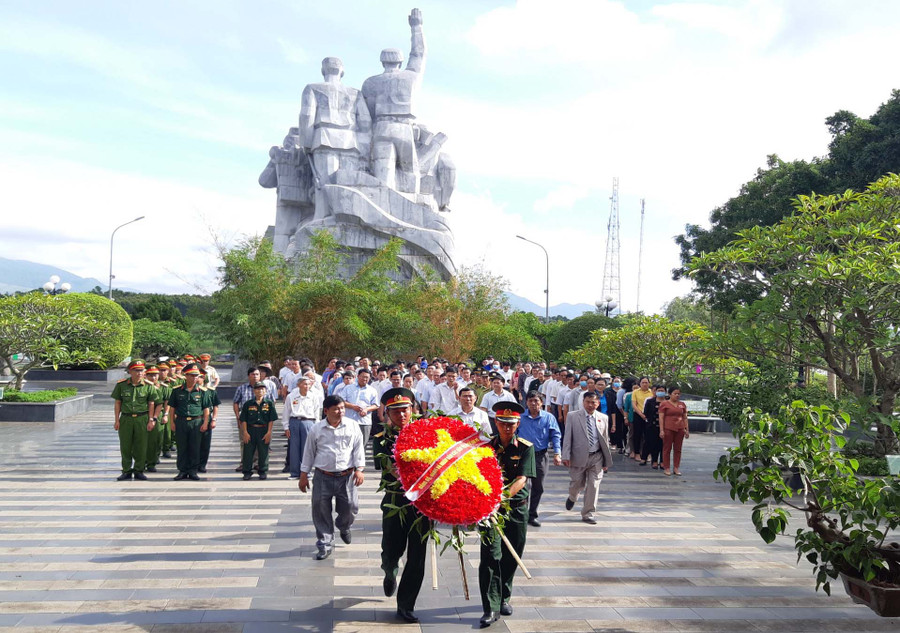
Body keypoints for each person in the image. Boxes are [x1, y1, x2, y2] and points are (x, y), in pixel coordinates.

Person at [374, 387, 430, 624]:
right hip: (396, 500)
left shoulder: (427, 434)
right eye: (395, 411)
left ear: (413, 410)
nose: (401, 415)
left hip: (422, 506)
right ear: (387, 413)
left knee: (417, 556)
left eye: (405, 410)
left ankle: (406, 605)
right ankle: (389, 570)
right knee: (391, 548)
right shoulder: (381, 439)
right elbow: (389, 467)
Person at [479, 402, 535, 628]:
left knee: (512, 554)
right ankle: (490, 607)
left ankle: (504, 596)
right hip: (489, 511)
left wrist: (500, 498)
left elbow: (522, 479)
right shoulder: (486, 447)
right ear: (496, 423)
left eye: (511, 424)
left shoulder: (525, 447)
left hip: (516, 508)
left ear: (518, 424)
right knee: (490, 557)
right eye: (502, 423)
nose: (506, 428)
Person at [361, 9, 426, 194]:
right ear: (401, 61)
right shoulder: (410, 77)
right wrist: (417, 27)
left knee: (384, 175)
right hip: (404, 128)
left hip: (381, 128)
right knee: (410, 172)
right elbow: (419, 54)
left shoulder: (370, 83)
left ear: (382, 62)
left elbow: (367, 114)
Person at [298, 395, 365, 560]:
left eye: (342, 408)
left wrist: (359, 469)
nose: (340, 411)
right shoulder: (316, 429)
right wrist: (303, 475)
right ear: (326, 411)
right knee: (320, 510)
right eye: (336, 408)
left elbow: (358, 449)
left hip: (347, 475)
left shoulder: (353, 426)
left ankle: (344, 526)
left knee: (350, 507)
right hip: (323, 476)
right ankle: (324, 543)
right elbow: (308, 453)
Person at [561, 392, 612, 524]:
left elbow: (605, 440)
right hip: (578, 456)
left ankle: (588, 513)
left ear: (598, 403)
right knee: (577, 483)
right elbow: (567, 437)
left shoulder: (603, 418)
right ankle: (573, 497)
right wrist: (565, 455)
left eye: (593, 402)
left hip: (597, 456)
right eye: (588, 402)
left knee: (593, 485)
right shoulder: (573, 416)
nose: (590, 405)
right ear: (583, 402)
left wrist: (606, 460)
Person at [517, 391, 562, 528]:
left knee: (538, 487)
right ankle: (522, 514)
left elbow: (555, 435)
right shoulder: (520, 417)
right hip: (522, 456)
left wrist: (557, 453)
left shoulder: (548, 418)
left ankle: (532, 515)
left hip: (540, 456)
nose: (533, 404)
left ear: (541, 403)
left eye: (536, 401)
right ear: (526, 402)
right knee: (522, 486)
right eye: (530, 401)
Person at [110, 359, 158, 481]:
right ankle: (126, 470)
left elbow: (151, 403)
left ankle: (139, 470)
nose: (139, 373)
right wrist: (117, 420)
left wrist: (151, 419)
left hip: (142, 418)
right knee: (125, 445)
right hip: (126, 418)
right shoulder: (122, 385)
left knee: (141, 446)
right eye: (136, 371)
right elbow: (118, 403)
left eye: (141, 370)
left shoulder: (148, 386)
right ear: (130, 371)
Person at [166, 363, 209, 481]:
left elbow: (206, 409)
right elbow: (172, 408)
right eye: (192, 375)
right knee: (182, 447)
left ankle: (193, 471)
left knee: (195, 447)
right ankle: (182, 470)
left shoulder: (203, 391)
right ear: (186, 375)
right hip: (181, 421)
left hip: (196, 422)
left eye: (196, 376)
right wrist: (172, 422)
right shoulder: (177, 390)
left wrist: (205, 423)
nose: (194, 378)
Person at [284, 376, 324, 479]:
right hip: (294, 421)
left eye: (309, 384)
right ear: (299, 385)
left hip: (308, 422)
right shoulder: (291, 396)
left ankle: (307, 472)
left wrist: (317, 427)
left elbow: (316, 413)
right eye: (305, 384)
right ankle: (295, 473)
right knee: (294, 448)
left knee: (307, 449)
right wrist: (286, 427)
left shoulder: (313, 396)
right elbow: (286, 412)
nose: (307, 386)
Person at [238, 382, 278, 480]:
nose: (260, 391)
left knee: (263, 451)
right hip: (251, 429)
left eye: (262, 389)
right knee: (248, 451)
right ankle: (247, 471)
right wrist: (245, 432)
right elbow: (243, 419)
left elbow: (271, 420)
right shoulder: (248, 404)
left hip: (263, 429)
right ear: (254, 391)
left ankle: (263, 471)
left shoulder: (269, 403)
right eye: (257, 389)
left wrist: (269, 432)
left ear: (265, 391)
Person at [341, 368, 379, 447]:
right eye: (362, 376)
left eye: (367, 377)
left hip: (364, 422)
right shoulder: (348, 388)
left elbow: (376, 405)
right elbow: (341, 402)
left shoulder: (372, 390)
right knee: (347, 445)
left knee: (362, 446)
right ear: (358, 376)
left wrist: (366, 409)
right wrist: (352, 406)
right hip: (349, 420)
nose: (364, 379)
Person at [659, 385, 689, 476]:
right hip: (668, 428)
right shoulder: (664, 404)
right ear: (669, 394)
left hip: (680, 429)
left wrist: (686, 429)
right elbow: (661, 417)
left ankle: (676, 467)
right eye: (675, 393)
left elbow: (685, 417)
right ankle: (666, 467)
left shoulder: (682, 404)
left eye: (678, 394)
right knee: (667, 448)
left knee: (678, 449)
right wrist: (661, 430)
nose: (677, 395)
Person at [197, 368, 220, 474]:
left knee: (205, 444)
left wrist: (214, 419)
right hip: (193, 418)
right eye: (197, 376)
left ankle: (202, 464)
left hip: (206, 418)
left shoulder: (210, 391)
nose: (198, 379)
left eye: (201, 377)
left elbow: (215, 406)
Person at [641, 384, 666, 469]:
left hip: (665, 426)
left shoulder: (667, 402)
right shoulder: (650, 401)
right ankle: (654, 461)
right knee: (653, 443)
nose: (660, 392)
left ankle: (663, 461)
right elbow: (646, 413)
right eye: (659, 391)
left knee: (663, 445)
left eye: (662, 391)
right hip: (652, 426)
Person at [631, 377, 653, 460]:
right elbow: (634, 404)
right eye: (643, 382)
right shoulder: (635, 392)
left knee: (648, 435)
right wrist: (641, 414)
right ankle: (637, 453)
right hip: (638, 415)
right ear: (640, 383)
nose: (644, 384)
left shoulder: (651, 392)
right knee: (637, 435)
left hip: (649, 416)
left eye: (646, 382)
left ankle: (647, 453)